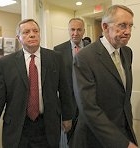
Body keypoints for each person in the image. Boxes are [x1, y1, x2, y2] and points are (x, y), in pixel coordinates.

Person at [0, 18, 73, 148]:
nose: (32, 34)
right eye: (26, 32)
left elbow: (65, 90)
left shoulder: (55, 58)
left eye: (35, 31)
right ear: (18, 38)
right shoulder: (6, 63)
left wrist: (67, 116)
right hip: (17, 128)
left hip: (47, 125)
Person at [72, 5, 138, 148]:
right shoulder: (84, 57)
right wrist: (122, 143)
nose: (128, 31)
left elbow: (123, 99)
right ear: (105, 26)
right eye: (122, 25)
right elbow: (88, 108)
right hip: (94, 139)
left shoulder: (127, 53)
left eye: (130, 26)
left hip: (123, 133)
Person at [53, 18, 90, 146]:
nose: (75, 33)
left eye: (79, 29)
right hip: (69, 105)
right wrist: (64, 114)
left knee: (89, 140)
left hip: (89, 103)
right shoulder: (58, 50)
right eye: (72, 29)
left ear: (84, 31)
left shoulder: (92, 49)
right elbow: (58, 82)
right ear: (68, 30)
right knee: (72, 141)